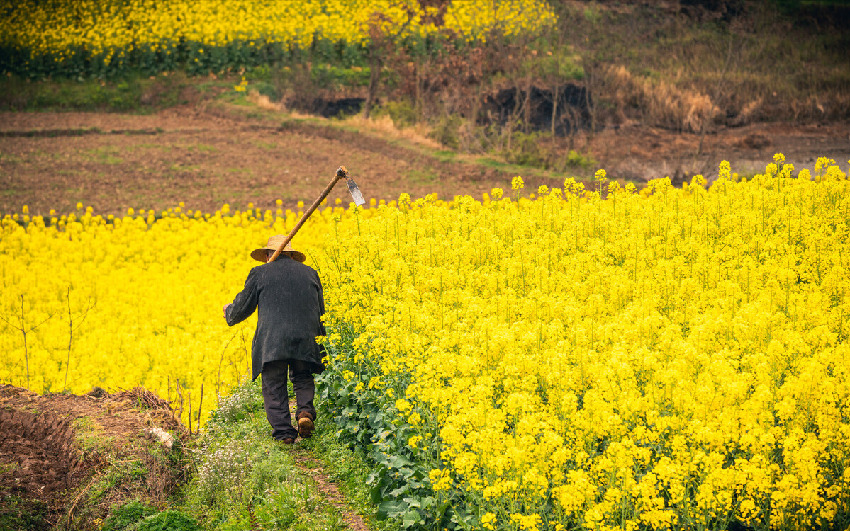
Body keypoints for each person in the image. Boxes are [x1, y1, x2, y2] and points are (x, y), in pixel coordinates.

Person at [223, 235, 326, 444]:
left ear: (269, 254)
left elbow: (243, 307)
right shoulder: (311, 274)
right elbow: (321, 311)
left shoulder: (260, 273)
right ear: (291, 255)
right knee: (303, 375)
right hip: (306, 336)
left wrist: (229, 312)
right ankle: (305, 413)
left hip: (273, 340)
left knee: (273, 383)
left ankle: (284, 433)